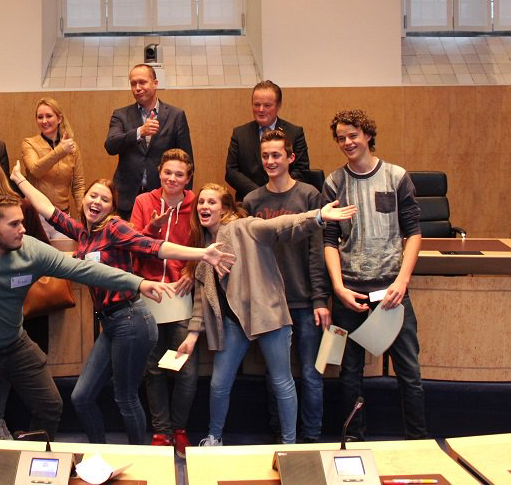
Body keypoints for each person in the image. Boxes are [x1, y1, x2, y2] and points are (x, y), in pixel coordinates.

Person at [0, 194, 177, 440]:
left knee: (50, 406)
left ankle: (29, 462)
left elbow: (82, 269)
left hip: (14, 344)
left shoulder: (30, 249)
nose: (23, 229)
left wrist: (137, 283)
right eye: (14, 224)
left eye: (21, 222)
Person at [11, 162, 236, 446]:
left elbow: (154, 246)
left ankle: (140, 455)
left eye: (105, 199)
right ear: (84, 200)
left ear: (111, 208)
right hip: (110, 323)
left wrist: (201, 254)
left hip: (131, 319)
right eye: (93, 196)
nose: (97, 202)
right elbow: (47, 209)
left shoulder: (114, 228)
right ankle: (100, 451)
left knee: (125, 397)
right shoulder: (83, 233)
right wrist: (19, 179)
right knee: (81, 396)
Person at [177, 183, 355, 447]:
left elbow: (280, 226)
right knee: (218, 384)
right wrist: (192, 335)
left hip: (268, 316)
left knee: (282, 381)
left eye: (211, 202)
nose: (204, 206)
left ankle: (289, 444)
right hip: (233, 322)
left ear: (225, 209)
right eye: (201, 202)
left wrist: (317, 216)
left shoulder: (244, 227)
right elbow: (203, 296)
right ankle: (214, 438)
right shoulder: (202, 246)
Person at [322, 109, 426, 441]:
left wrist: (402, 281)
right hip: (350, 294)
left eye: (353, 135)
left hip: (392, 293)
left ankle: (417, 441)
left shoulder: (397, 177)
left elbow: (413, 234)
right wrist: (338, 287)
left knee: (409, 373)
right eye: (341, 138)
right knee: (349, 373)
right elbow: (329, 241)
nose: (347, 142)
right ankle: (353, 438)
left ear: (367, 135)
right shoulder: (334, 183)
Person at [243, 129, 329, 443]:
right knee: (276, 376)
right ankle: (281, 435)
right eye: (265, 155)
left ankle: (311, 438)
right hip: (270, 303)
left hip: (305, 300)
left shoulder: (309, 196)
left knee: (310, 373)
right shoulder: (252, 201)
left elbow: (317, 250)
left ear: (290, 158)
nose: (270, 161)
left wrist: (320, 299)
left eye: (276, 155)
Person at [0, 152, 50, 439]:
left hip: (24, 305)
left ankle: (9, 425)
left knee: (20, 375)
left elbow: (41, 249)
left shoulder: (21, 206)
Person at [128, 148, 198, 456]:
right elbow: (132, 244)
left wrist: (193, 270)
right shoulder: (143, 202)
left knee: (186, 369)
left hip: (181, 295)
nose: (172, 178)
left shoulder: (196, 204)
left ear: (188, 177)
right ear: (159, 172)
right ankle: (161, 431)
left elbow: (206, 242)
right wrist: (152, 229)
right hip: (151, 294)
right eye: (167, 172)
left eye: (179, 174)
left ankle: (179, 428)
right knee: (153, 367)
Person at [105, 64, 193, 219]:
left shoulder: (176, 116)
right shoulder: (121, 115)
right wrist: (140, 132)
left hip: (164, 198)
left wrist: (185, 199)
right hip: (126, 200)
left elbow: (187, 162)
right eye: (133, 84)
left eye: (142, 82)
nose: (137, 88)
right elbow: (111, 145)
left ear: (155, 83)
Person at [225, 80, 310, 200]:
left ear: (278, 105)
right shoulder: (240, 134)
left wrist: (280, 191)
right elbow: (231, 172)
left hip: (286, 200)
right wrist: (260, 194)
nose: (261, 109)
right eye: (256, 105)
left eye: (267, 105)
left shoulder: (294, 133)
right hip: (249, 201)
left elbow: (301, 170)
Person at [20, 97, 86, 226]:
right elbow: (35, 170)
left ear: (59, 118)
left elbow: (78, 185)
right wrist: (61, 150)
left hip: (62, 215)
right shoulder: (29, 143)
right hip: (36, 216)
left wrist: (83, 215)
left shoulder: (72, 147)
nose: (44, 121)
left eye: (49, 116)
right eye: (40, 117)